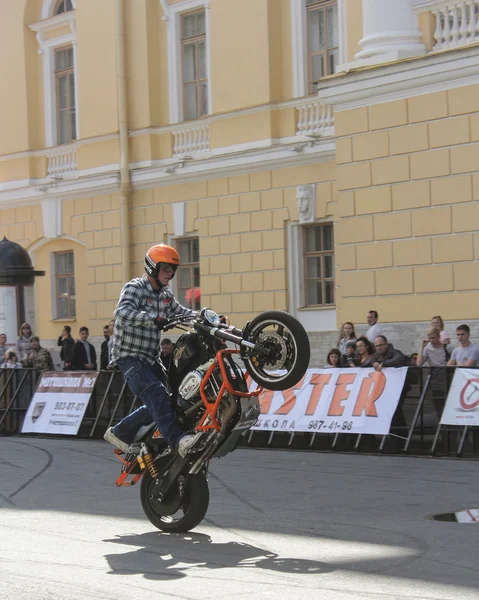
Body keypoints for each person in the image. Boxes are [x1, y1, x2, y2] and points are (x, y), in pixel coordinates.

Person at [103, 243, 203, 458]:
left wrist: (204, 316)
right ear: (153, 267)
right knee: (156, 393)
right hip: (129, 357)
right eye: (167, 268)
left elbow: (180, 312)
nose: (171, 274)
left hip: (150, 358)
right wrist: (152, 319)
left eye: (173, 270)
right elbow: (122, 313)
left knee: (171, 399)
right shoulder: (135, 288)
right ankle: (178, 440)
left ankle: (120, 432)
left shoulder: (165, 295)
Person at [416, 327, 454, 417]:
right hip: (435, 378)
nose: (431, 340)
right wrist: (422, 347)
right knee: (438, 403)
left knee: (450, 401)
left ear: (438, 336)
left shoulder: (447, 348)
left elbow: (455, 358)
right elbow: (419, 363)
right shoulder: (427, 349)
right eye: (430, 338)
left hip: (447, 376)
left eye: (434, 338)